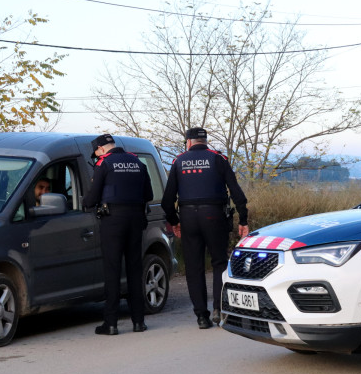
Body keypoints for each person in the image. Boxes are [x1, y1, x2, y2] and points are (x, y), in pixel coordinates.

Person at [161, 127, 249, 329]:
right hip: (214, 214)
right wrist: (243, 220)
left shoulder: (178, 161)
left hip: (188, 216)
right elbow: (236, 192)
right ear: (205, 141)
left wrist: (174, 222)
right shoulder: (218, 158)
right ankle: (219, 308)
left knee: (194, 266)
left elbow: (167, 201)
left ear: (188, 142)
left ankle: (201, 316)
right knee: (219, 262)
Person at [82, 133, 153, 336]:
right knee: (134, 269)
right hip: (136, 219)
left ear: (102, 149)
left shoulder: (104, 164)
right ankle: (138, 321)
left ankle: (111, 324)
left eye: (96, 153)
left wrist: (86, 202)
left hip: (112, 220)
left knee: (112, 270)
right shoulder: (136, 162)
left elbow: (93, 196)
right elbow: (148, 195)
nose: (96, 156)